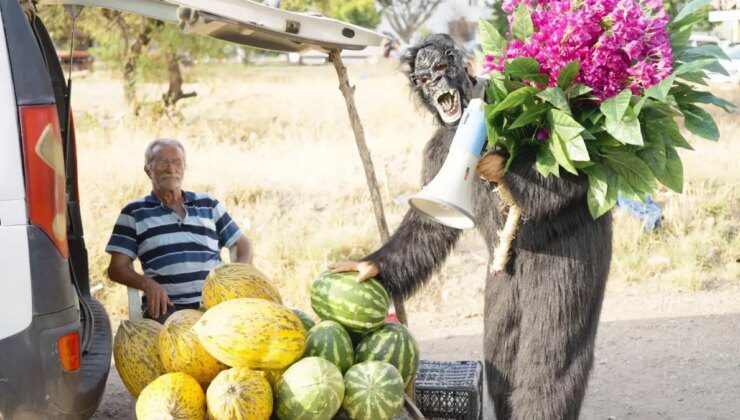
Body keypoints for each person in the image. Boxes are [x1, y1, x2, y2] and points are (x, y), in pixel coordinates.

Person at [105, 139, 252, 322]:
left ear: (184, 167)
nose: (170, 169)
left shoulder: (208, 204)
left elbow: (241, 243)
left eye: (177, 162)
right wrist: (148, 285)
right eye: (162, 163)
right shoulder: (134, 213)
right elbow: (116, 269)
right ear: (148, 170)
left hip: (217, 303)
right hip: (167, 308)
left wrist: (238, 276)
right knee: (181, 343)